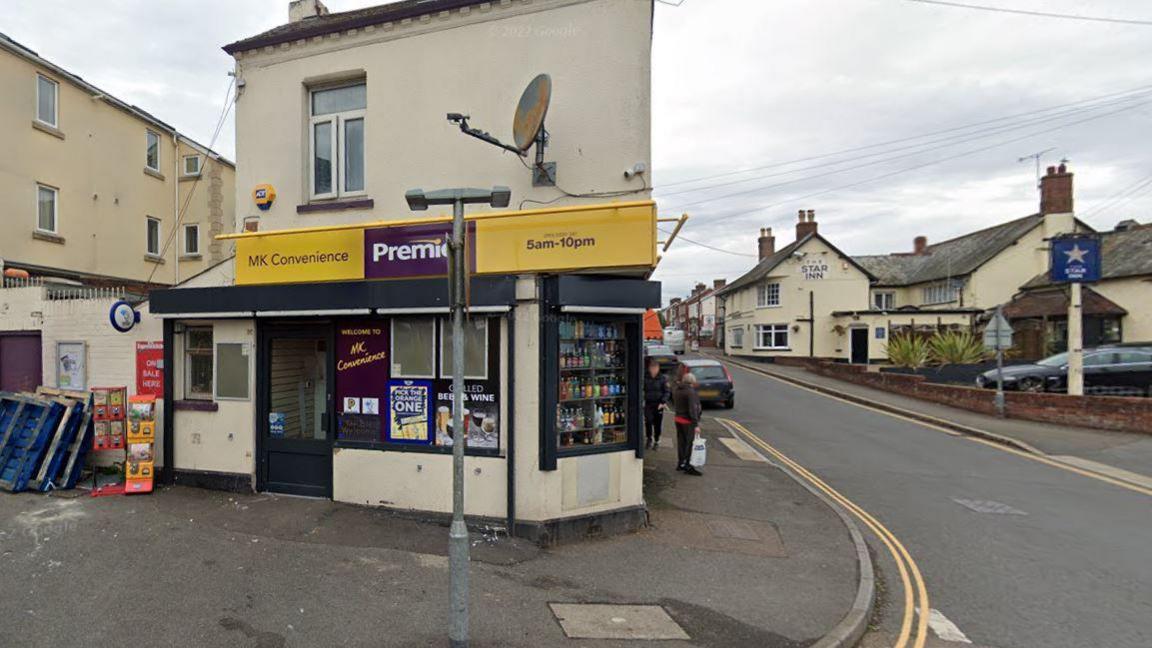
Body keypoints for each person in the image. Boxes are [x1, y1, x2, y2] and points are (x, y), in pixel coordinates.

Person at [672, 371, 703, 476]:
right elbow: (693, 409)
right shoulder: (690, 392)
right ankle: (688, 466)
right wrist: (696, 424)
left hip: (678, 419)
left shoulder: (677, 390)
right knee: (689, 444)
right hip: (688, 421)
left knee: (681, 443)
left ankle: (680, 463)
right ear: (692, 381)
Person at [643, 358, 670, 450]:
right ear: (649, 368)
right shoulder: (645, 377)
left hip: (659, 405)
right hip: (648, 403)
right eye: (652, 368)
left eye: (656, 368)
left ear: (658, 368)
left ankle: (657, 440)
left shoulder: (662, 379)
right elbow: (642, 389)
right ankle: (649, 438)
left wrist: (663, 401)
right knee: (648, 421)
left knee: (658, 424)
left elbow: (667, 392)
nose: (654, 370)